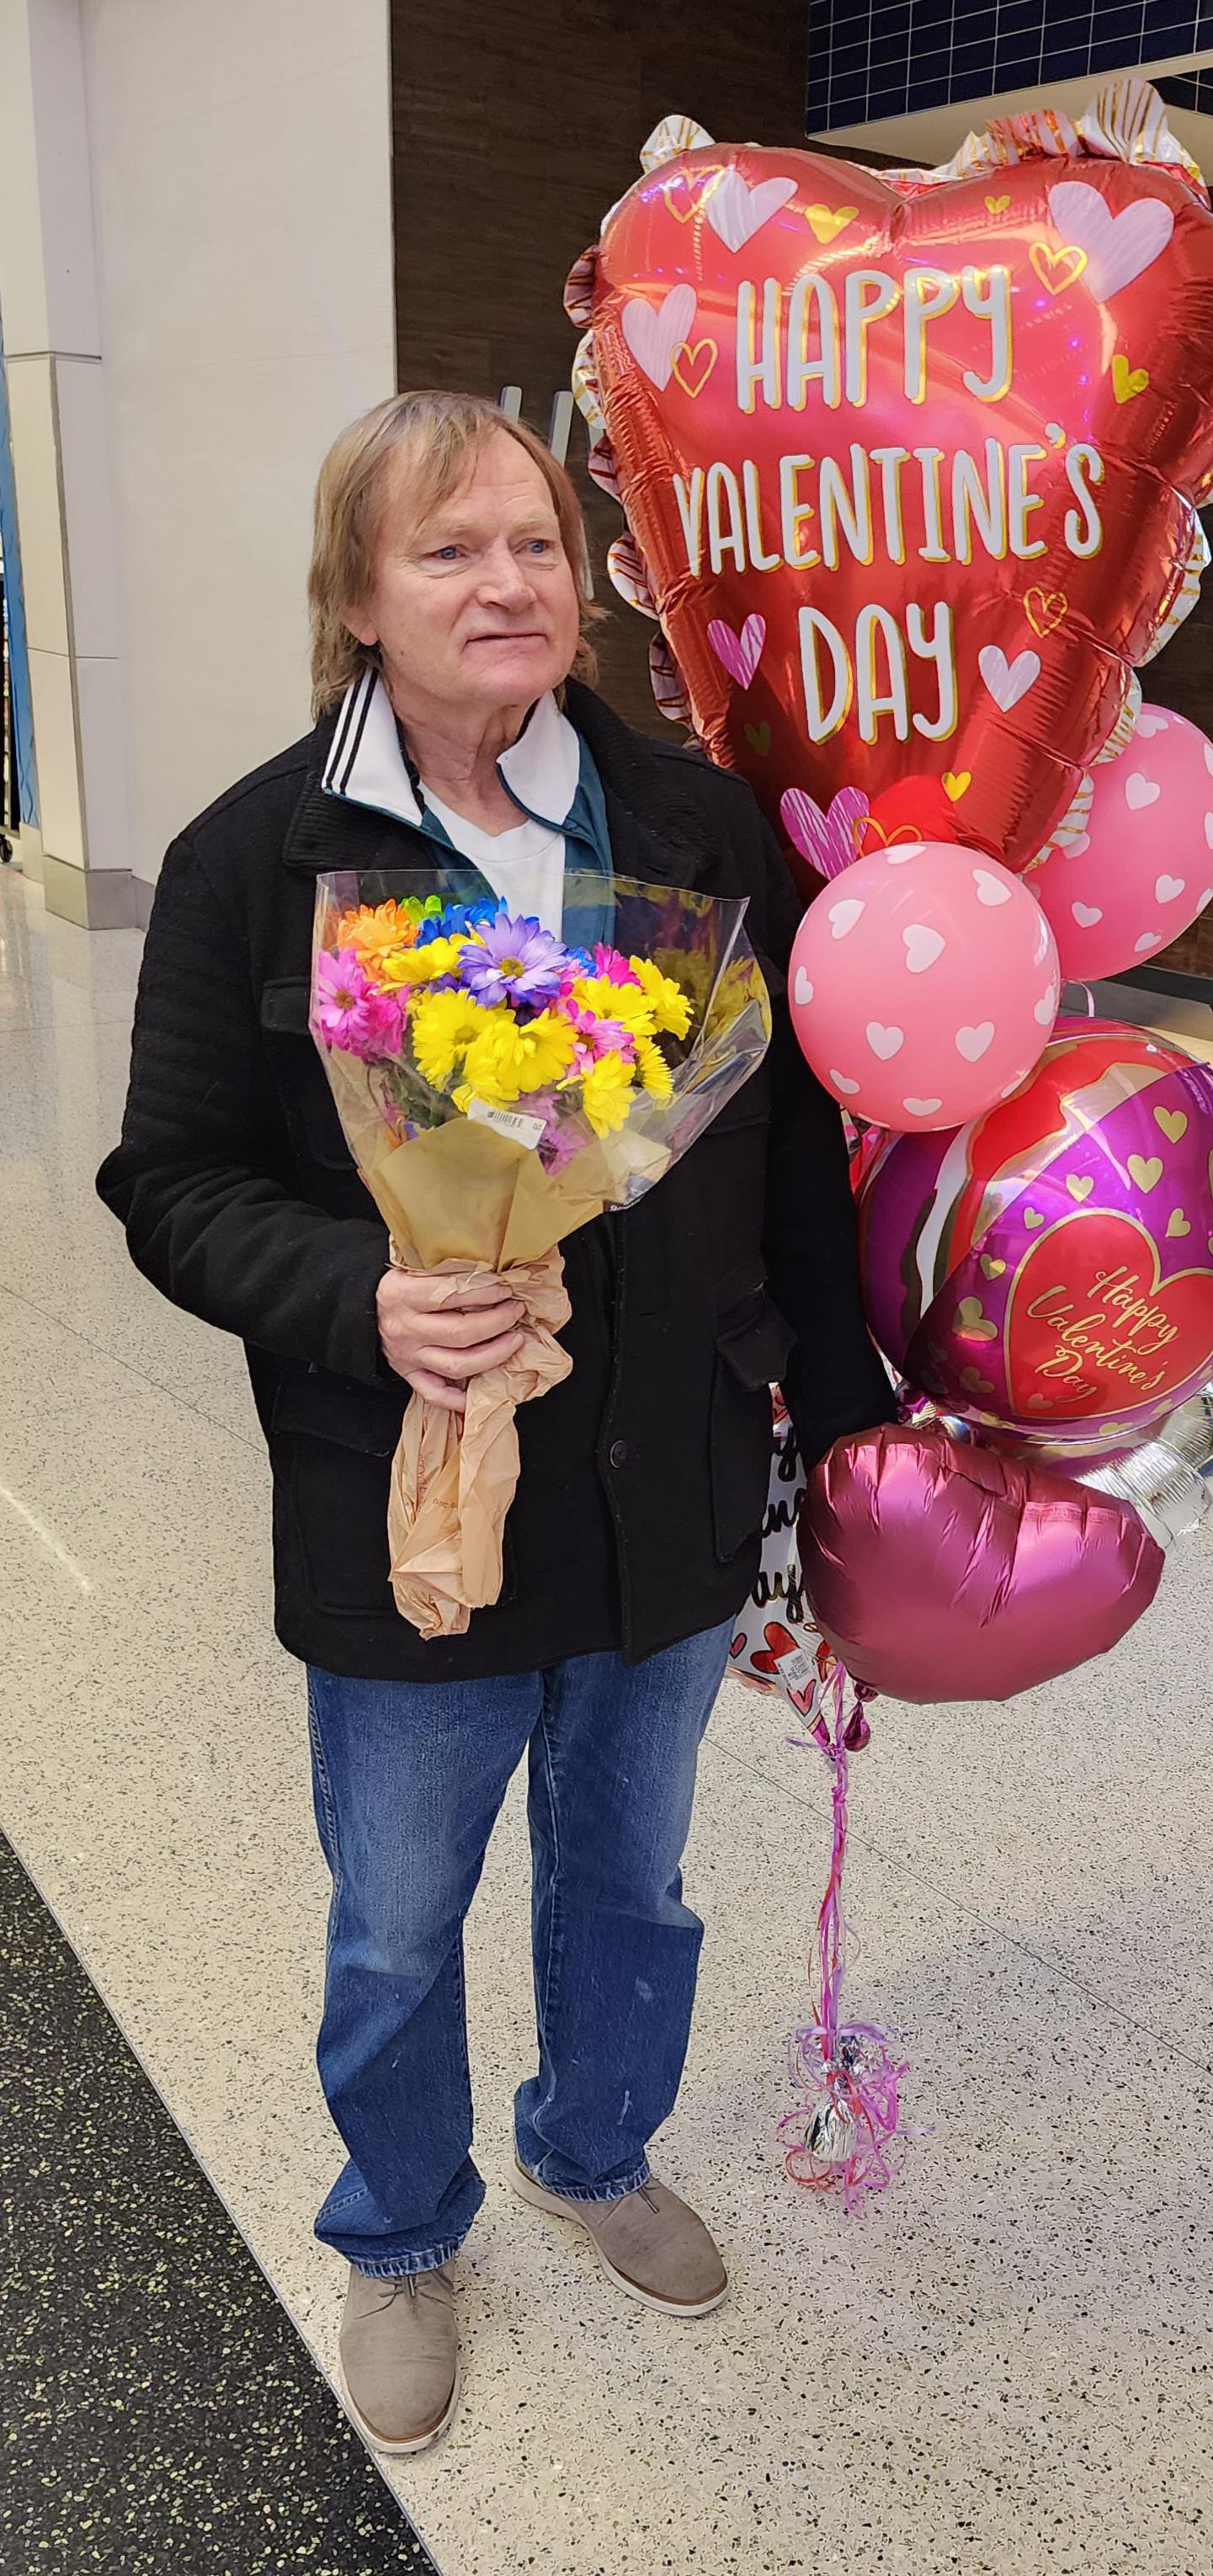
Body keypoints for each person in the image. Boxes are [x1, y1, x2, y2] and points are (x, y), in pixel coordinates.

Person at [98, 391, 896, 2455]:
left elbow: (791, 1158)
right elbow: (170, 1179)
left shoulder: (693, 825)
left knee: (632, 1874)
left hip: (668, 1467)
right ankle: (397, 2226)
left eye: (535, 541)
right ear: (357, 596)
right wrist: (358, 1294)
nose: (505, 581)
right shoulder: (258, 858)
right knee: (396, 1908)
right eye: (447, 548)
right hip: (411, 1493)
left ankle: (594, 2142)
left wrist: (848, 1419)